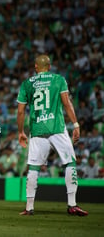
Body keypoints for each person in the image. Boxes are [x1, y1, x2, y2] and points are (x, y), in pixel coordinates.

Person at [17, 54, 88, 216]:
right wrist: (76, 124)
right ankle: (72, 204)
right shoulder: (58, 79)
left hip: (37, 130)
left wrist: (21, 132)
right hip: (57, 128)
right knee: (70, 163)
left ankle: (29, 207)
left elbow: (21, 111)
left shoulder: (27, 83)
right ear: (49, 67)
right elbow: (66, 102)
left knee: (34, 168)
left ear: (36, 67)